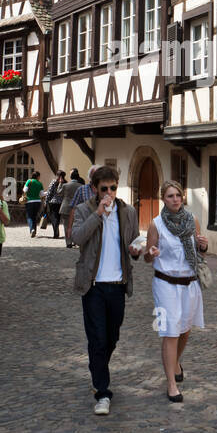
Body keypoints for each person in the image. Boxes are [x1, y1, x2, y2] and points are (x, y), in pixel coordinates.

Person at [72, 166, 142, 415]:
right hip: (93, 286)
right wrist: (98, 214)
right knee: (98, 338)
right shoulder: (84, 210)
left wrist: (137, 251)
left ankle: (98, 368)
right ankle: (102, 391)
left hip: (118, 286)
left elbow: (134, 243)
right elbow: (76, 238)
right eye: (104, 189)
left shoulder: (129, 212)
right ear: (94, 189)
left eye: (113, 188)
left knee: (111, 338)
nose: (110, 193)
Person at [145, 181, 209, 402]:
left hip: (189, 283)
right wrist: (150, 252)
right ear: (163, 198)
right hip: (165, 283)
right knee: (170, 331)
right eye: (170, 196)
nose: (175, 199)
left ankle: (175, 362)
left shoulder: (193, 221)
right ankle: (171, 384)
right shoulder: (156, 225)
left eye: (178, 195)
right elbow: (146, 255)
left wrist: (203, 246)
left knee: (184, 331)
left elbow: (200, 256)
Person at [59, 169, 84, 247]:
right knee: (75, 225)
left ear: (70, 177)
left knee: (66, 226)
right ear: (78, 178)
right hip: (77, 208)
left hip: (65, 207)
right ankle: (74, 241)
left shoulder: (65, 185)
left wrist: (60, 183)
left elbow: (59, 193)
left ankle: (68, 243)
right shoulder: (81, 186)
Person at [44, 170, 67, 239]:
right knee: (59, 218)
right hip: (62, 202)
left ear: (57, 175)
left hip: (53, 202)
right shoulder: (65, 183)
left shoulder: (54, 182)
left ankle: (56, 233)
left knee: (54, 218)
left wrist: (46, 201)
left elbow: (49, 192)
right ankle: (57, 232)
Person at [22, 170, 44, 237]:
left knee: (29, 217)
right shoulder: (40, 183)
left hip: (29, 201)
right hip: (38, 202)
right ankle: (34, 230)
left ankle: (32, 230)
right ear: (37, 176)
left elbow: (24, 190)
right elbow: (42, 194)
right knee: (34, 217)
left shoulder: (29, 181)